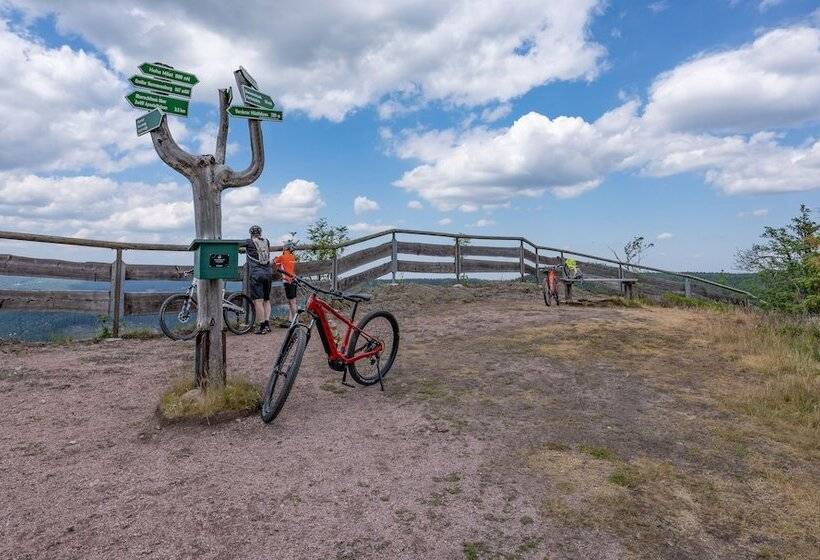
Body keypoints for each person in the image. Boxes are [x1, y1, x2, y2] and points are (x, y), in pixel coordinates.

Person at [244, 225, 272, 334]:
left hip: (257, 274)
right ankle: (267, 324)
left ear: (250, 233)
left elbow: (238, 246)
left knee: (258, 301)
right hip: (268, 273)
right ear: (260, 233)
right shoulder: (267, 241)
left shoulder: (248, 242)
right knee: (266, 300)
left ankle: (261, 326)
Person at [274, 240, 298, 323]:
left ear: (286, 248)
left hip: (288, 281)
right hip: (294, 280)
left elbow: (274, 262)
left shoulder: (282, 257)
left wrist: (275, 258)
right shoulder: (293, 257)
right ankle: (291, 320)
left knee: (291, 302)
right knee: (293, 301)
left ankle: (295, 321)